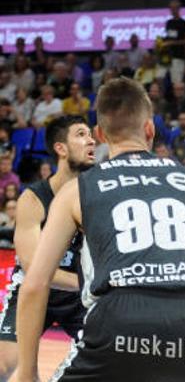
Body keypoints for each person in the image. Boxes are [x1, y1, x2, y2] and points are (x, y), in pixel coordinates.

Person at [13, 78, 185, 381]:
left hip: (120, 319)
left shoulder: (77, 190)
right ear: (149, 129)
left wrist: (27, 372)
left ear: (100, 134)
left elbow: (33, 285)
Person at [0, 116, 95, 379]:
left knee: (104, 366)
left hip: (77, 298)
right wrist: (89, 282)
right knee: (3, 364)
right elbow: (34, 270)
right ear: (60, 148)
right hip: (35, 290)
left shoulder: (97, 195)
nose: (91, 140)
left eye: (91, 135)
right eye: (81, 134)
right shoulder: (32, 199)